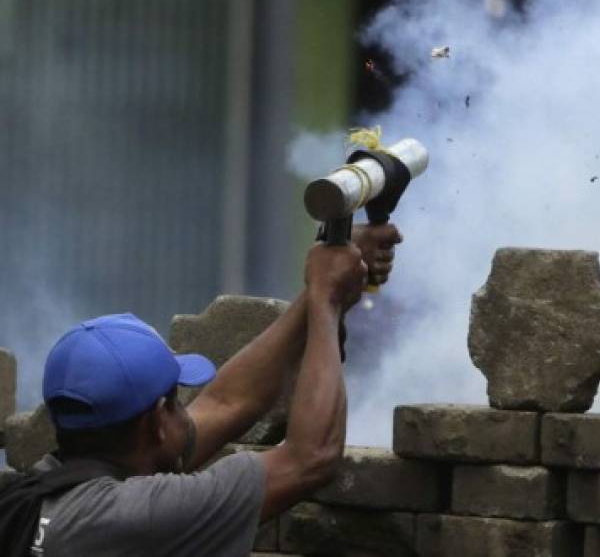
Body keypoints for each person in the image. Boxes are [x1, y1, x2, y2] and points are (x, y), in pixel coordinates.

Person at [26, 223, 403, 557]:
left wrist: (320, 283)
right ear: (155, 423)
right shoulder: (135, 516)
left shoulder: (31, 495)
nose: (187, 413)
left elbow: (228, 402)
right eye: (176, 404)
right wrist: (328, 301)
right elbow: (310, 458)